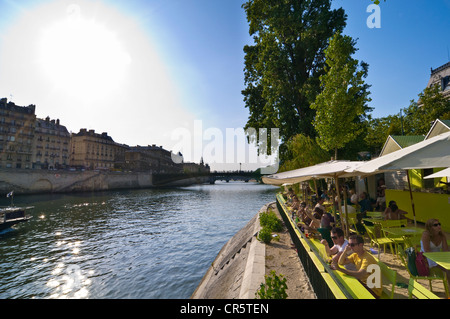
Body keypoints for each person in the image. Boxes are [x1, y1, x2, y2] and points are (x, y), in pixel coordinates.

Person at [420, 219, 450, 288]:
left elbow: (446, 250)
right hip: (427, 257)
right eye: (435, 225)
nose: (438, 226)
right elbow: (427, 251)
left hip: (438, 256)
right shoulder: (426, 235)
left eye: (439, 224)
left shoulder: (442, 236)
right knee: (448, 269)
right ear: (430, 227)